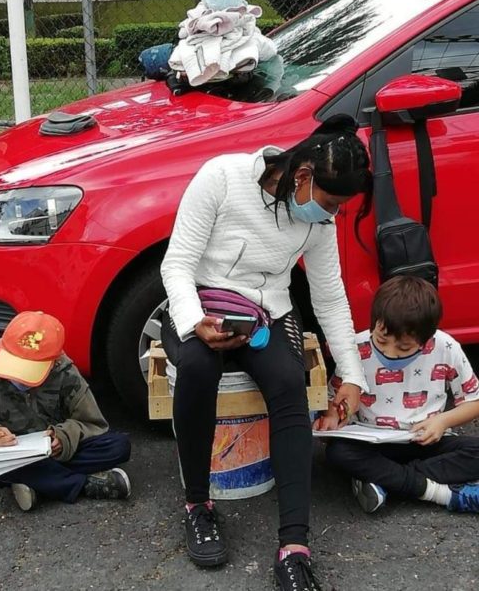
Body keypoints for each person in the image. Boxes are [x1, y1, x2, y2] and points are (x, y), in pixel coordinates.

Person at [160, 115, 373, 591]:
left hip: (268, 311)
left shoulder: (315, 223)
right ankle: (199, 505)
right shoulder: (222, 177)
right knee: (196, 365)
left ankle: (294, 548)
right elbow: (176, 263)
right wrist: (195, 321)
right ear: (302, 177)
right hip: (202, 300)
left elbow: (329, 295)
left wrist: (352, 374)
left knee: (288, 384)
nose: (333, 215)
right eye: (332, 203)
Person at [315, 276, 479, 515]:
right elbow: (335, 397)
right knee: (338, 452)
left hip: (424, 439)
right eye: (381, 340)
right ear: (374, 324)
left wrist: (442, 421)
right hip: (372, 443)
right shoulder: (356, 348)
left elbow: (474, 401)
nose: (388, 352)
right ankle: (438, 493)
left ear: (426, 339)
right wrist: (331, 416)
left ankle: (383, 479)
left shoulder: (446, 347)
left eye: (403, 348)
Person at [0, 311, 131, 511]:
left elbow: (94, 424)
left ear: (53, 362)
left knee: (118, 446)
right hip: (13, 454)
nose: (20, 379)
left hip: (53, 451)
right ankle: (84, 485)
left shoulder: (66, 374)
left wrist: (64, 437)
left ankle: (39, 484)